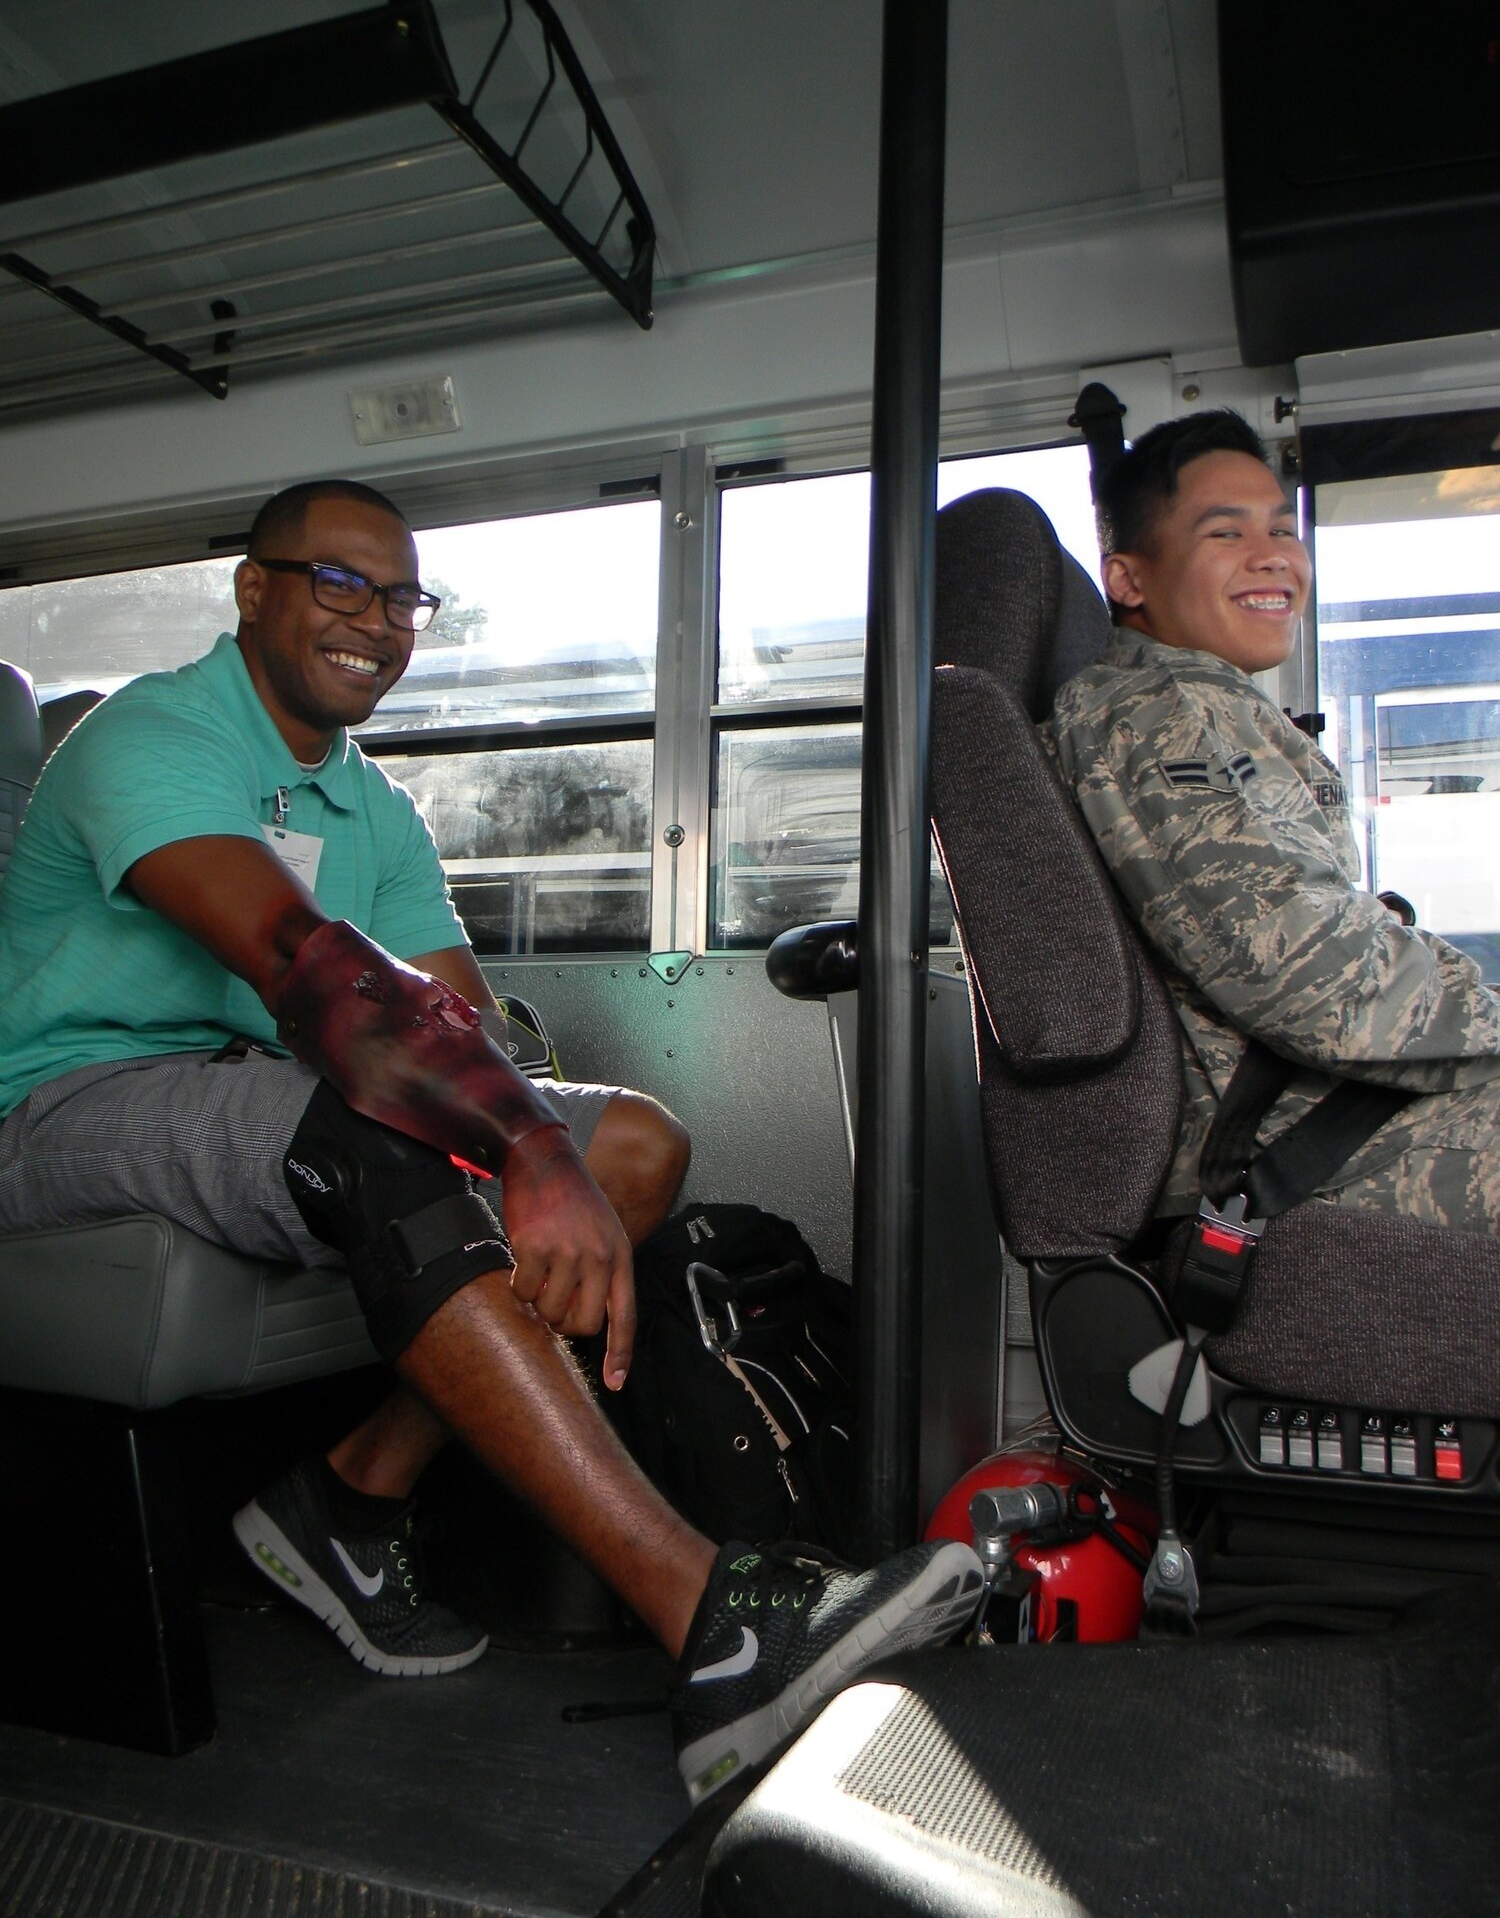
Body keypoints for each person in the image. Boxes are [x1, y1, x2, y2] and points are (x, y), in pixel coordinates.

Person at [0, 478, 981, 1800]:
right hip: (72, 1102)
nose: (379, 621)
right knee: (399, 1138)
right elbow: (309, 969)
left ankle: (351, 1494)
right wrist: (514, 1148)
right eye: (339, 582)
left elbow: (456, 1021)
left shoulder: (373, 809)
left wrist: (545, 1130)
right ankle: (708, 1618)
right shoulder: (150, 737)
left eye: (403, 597)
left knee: (629, 1146)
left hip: (264, 1090)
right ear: (254, 589)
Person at [1046, 410, 1500, 1232]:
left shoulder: (1213, 705)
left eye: (1283, 530)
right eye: (1226, 534)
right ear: (1129, 580)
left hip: (1331, 1111)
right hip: (1293, 1145)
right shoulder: (1160, 712)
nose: (1275, 558)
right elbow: (1313, 983)